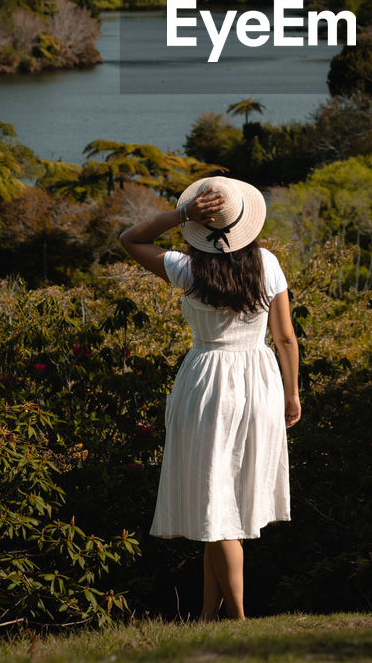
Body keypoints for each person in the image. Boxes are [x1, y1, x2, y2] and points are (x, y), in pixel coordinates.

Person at [119, 174, 300, 620]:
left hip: (206, 384)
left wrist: (181, 215)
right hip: (259, 380)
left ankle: (237, 620)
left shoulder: (187, 267)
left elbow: (130, 239)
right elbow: (287, 339)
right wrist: (292, 394)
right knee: (216, 508)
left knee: (219, 510)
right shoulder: (268, 263)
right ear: (244, 220)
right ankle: (205, 618)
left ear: (200, 224)